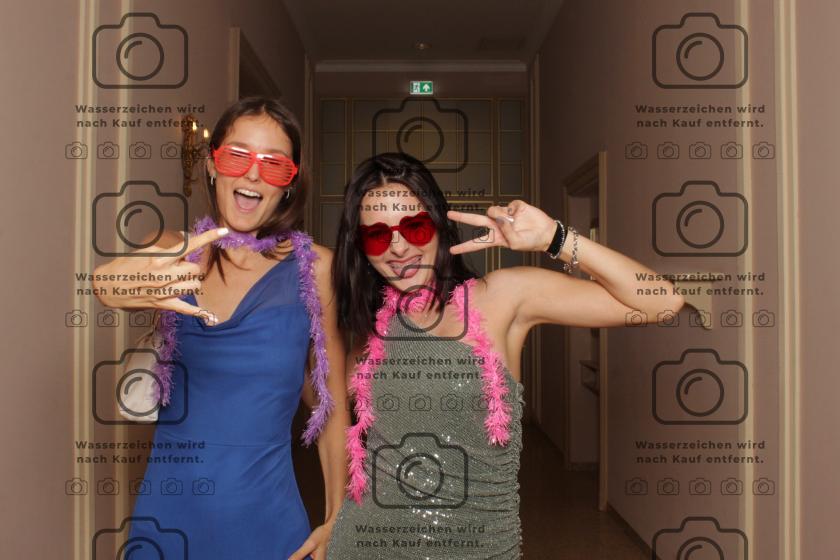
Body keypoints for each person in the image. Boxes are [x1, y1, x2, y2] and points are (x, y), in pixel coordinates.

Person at [325, 152, 685, 559]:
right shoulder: (370, 329)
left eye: (415, 226)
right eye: (377, 235)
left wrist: (555, 239)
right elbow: (330, 419)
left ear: (439, 225)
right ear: (361, 248)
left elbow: (663, 302)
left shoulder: (501, 297)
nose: (398, 247)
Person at [93, 97, 348, 559]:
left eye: (274, 165)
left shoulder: (316, 270)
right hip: (167, 520)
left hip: (268, 524)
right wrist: (122, 286)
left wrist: (336, 518)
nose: (253, 174)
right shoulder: (172, 249)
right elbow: (107, 283)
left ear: (289, 184)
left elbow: (330, 404)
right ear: (212, 166)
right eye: (237, 156)